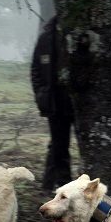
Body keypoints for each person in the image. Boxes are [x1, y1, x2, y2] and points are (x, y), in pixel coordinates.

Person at [31, 16, 74, 193]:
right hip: (55, 101)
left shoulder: (80, 35)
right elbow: (36, 69)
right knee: (59, 144)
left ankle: (48, 184)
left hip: (75, 100)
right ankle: (65, 184)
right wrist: (41, 93)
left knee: (58, 144)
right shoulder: (46, 38)